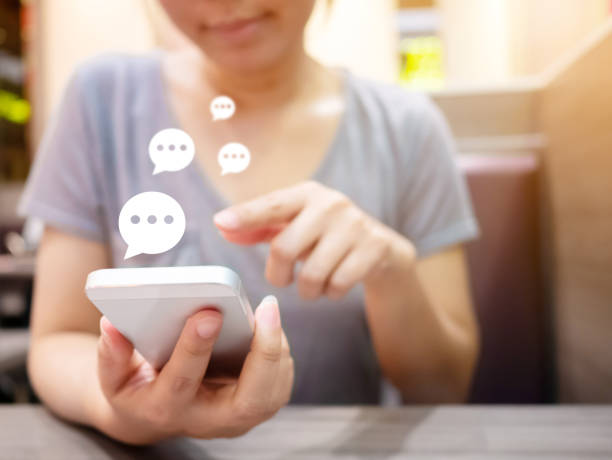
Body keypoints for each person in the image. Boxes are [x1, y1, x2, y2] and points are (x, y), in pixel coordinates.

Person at [19, 0, 480, 445]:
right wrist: (125, 410)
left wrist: (390, 272)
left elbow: (443, 387)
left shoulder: (406, 129)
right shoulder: (101, 99)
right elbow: (58, 339)